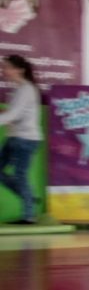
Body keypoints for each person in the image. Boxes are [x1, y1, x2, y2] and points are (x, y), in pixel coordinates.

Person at [0, 54, 42, 223]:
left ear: (20, 70)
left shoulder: (26, 89)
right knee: (18, 176)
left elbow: (14, 115)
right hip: (15, 137)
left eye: (7, 67)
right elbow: (15, 115)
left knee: (20, 175)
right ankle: (28, 196)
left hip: (25, 139)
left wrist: (7, 116)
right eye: (3, 67)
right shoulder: (18, 90)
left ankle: (29, 216)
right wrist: (6, 114)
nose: (4, 70)